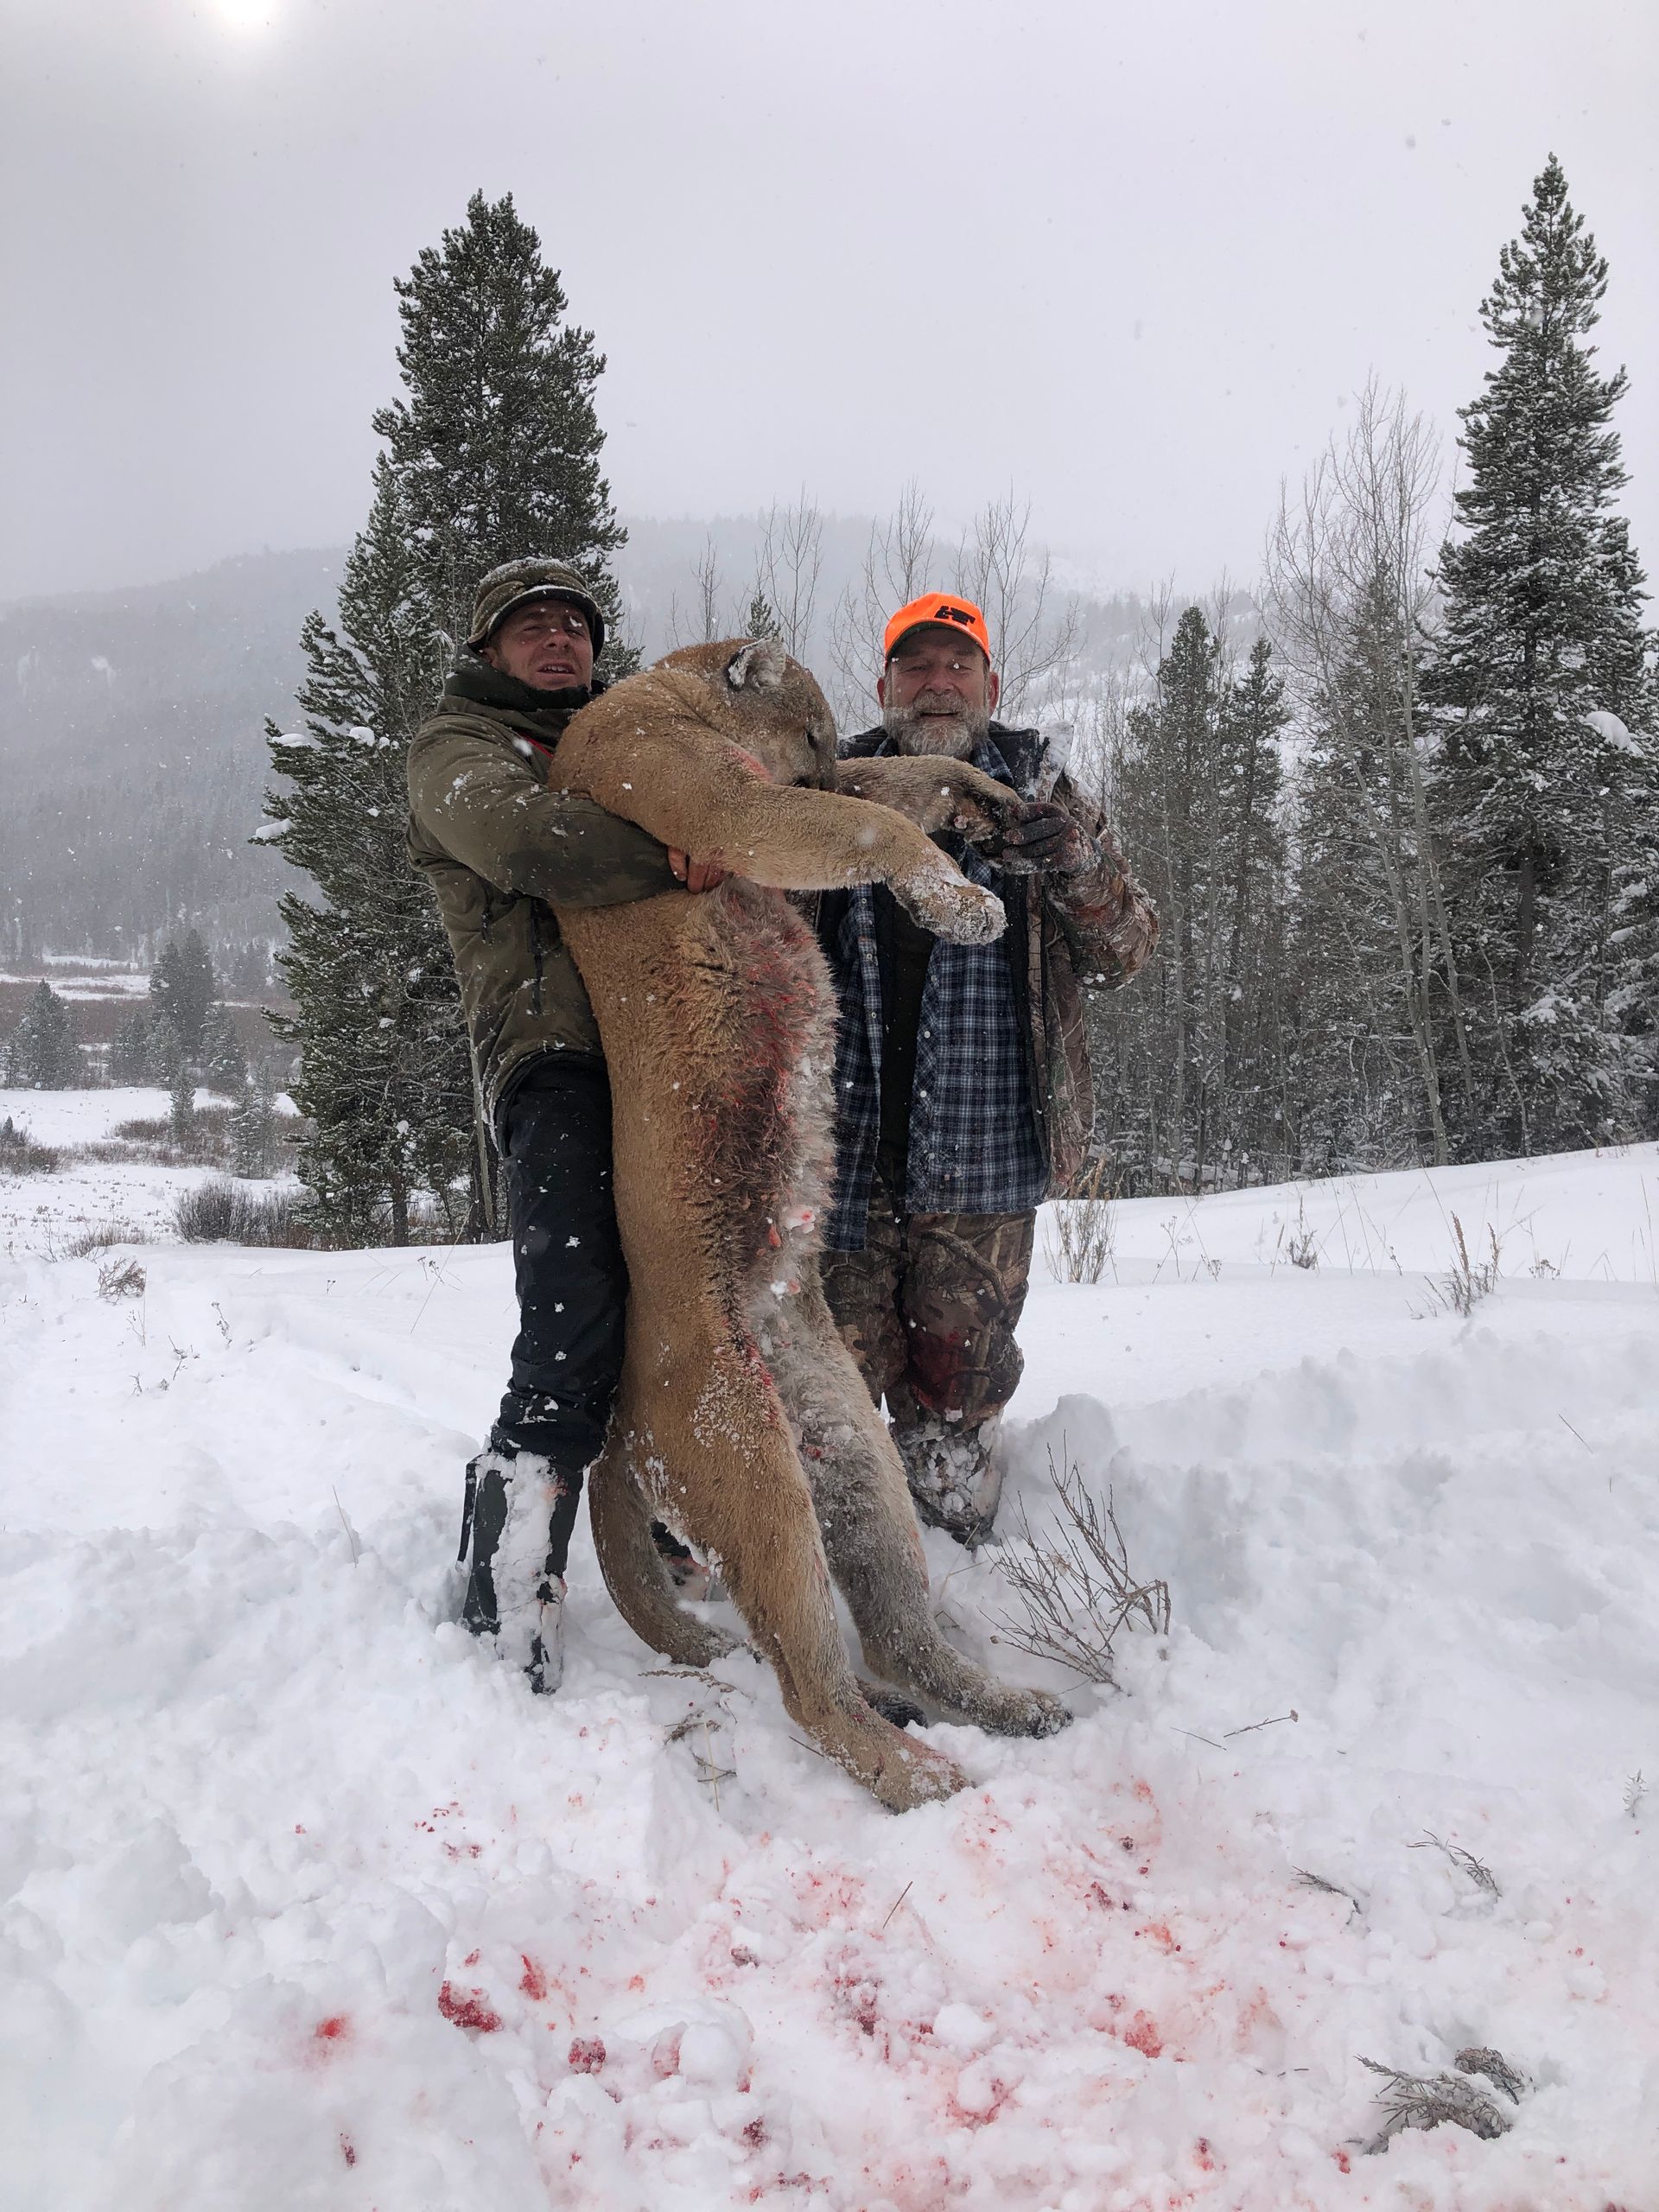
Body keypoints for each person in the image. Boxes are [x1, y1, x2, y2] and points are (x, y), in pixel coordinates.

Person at [406, 557, 723, 1694]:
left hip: (665, 1053)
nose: (558, 643)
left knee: (679, 1311)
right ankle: (503, 1585)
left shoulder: (622, 740)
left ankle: (664, 1537)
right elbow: (533, 848)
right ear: (490, 652)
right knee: (573, 1323)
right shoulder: (459, 747)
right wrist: (679, 856)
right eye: (530, 629)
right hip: (555, 1061)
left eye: (575, 628)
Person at [817, 592, 1158, 1546]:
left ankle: (954, 1559)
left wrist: (1078, 868)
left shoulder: (1040, 789)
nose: (938, 683)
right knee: (828, 1388)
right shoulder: (833, 788)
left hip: (985, 1154)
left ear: (990, 684)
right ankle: (843, 1580)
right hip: (840, 1154)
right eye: (917, 666)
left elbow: (1127, 948)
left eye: (957, 665)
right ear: (883, 685)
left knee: (958, 1394)